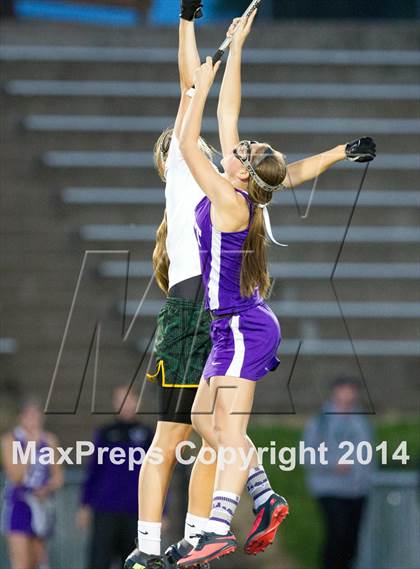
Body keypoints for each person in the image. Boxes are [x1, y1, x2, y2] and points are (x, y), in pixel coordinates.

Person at [126, 3, 376, 567]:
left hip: (232, 320)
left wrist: (199, 67)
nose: (235, 145)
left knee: (215, 430)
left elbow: (198, 117)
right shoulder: (245, 189)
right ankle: (257, 500)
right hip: (230, 320)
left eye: (241, 150)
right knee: (202, 422)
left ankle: (217, 525)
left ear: (241, 168)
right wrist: (236, 51)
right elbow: (253, 135)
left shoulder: (222, 193)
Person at [77, 386, 153, 569]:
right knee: (99, 561)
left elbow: (155, 475)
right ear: (114, 403)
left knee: (135, 564)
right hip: (105, 509)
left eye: (129, 400)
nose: (126, 405)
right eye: (121, 400)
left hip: (136, 512)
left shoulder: (148, 435)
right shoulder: (105, 433)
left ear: (137, 402)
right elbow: (94, 470)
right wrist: (84, 505)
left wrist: (162, 512)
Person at [303, 376, 374, 569]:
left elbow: (368, 452)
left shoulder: (360, 421)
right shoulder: (320, 421)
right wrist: (333, 464)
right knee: (337, 533)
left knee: (352, 539)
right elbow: (307, 455)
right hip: (330, 488)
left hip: (357, 490)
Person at [0, 398, 64, 569]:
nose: (34, 421)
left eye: (37, 416)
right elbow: (16, 476)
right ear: (21, 418)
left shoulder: (49, 440)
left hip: (41, 505)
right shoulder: (10, 440)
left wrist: (46, 489)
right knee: (21, 562)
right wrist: (31, 447)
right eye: (30, 416)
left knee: (38, 559)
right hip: (18, 504)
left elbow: (58, 477)